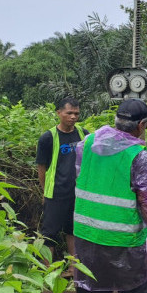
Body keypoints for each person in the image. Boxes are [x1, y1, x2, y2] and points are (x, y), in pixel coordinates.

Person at [73, 99, 147, 293]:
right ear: (142, 125)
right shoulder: (139, 157)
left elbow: (82, 176)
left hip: (86, 232)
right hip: (122, 238)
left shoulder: (89, 142)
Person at [36, 97, 89, 260]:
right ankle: (47, 273)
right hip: (56, 193)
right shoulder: (48, 138)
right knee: (49, 234)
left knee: (73, 230)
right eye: (69, 113)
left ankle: (75, 269)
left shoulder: (84, 134)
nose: (73, 117)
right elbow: (41, 168)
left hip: (78, 193)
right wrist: (45, 192)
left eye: (76, 113)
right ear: (59, 113)